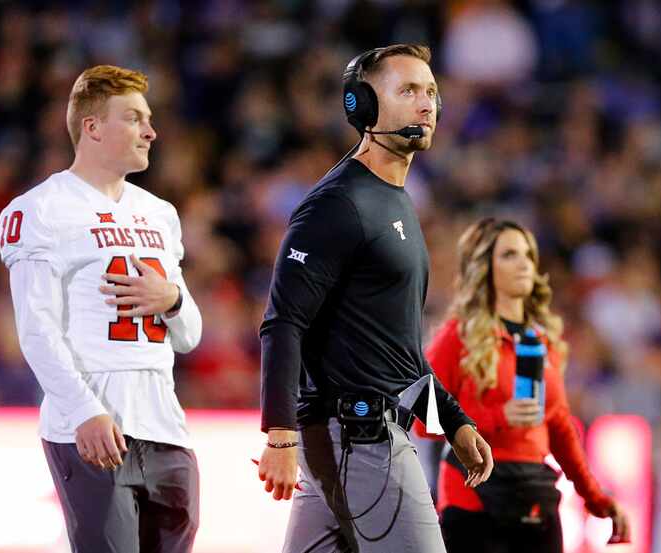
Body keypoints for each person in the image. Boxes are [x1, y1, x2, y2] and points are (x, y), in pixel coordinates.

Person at [257, 44, 493, 553]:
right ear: (360, 106)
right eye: (408, 90)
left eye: (431, 91)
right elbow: (284, 323)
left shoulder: (395, 201)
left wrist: (452, 422)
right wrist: (279, 436)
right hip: (361, 441)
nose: (427, 104)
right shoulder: (338, 204)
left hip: (347, 439)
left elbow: (393, 352)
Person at [0, 65, 202, 553]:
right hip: (93, 422)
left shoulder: (160, 213)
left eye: (147, 118)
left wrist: (171, 300)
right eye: (133, 118)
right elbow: (37, 328)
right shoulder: (41, 208)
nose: (150, 131)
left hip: (165, 421)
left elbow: (190, 333)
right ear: (91, 128)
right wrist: (84, 410)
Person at [414, 218, 631, 552]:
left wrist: (595, 496)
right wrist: (497, 417)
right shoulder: (456, 337)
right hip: (474, 503)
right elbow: (424, 421)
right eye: (510, 255)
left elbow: (559, 428)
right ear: (484, 268)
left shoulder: (542, 341)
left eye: (528, 255)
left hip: (536, 496)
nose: (524, 264)